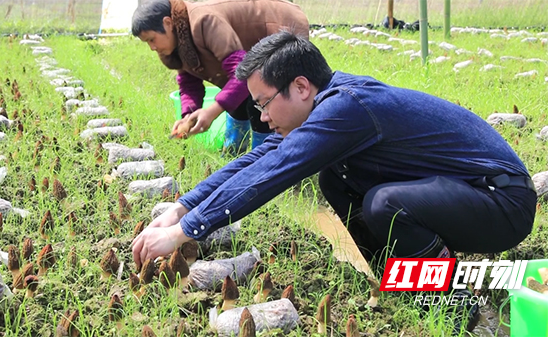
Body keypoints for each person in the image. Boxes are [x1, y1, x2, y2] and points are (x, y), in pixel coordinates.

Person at [132, 31, 537, 334]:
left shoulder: (346, 110)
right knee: (335, 178)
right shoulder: (326, 107)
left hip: (502, 201)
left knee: (385, 204)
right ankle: (402, 278)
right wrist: (180, 209)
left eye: (264, 104)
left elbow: (272, 175)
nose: (264, 118)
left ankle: (455, 305)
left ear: (302, 87)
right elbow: (256, 160)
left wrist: (186, 231)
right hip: (464, 192)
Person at [131, 0, 309, 154]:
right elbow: (189, 80)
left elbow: (241, 73)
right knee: (235, 94)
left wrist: (212, 111)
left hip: (279, 24)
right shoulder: (177, 40)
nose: (152, 47)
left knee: (263, 100)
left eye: (151, 39)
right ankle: (233, 151)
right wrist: (189, 116)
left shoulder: (204, 21)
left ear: (168, 23)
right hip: (246, 54)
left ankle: (265, 157)